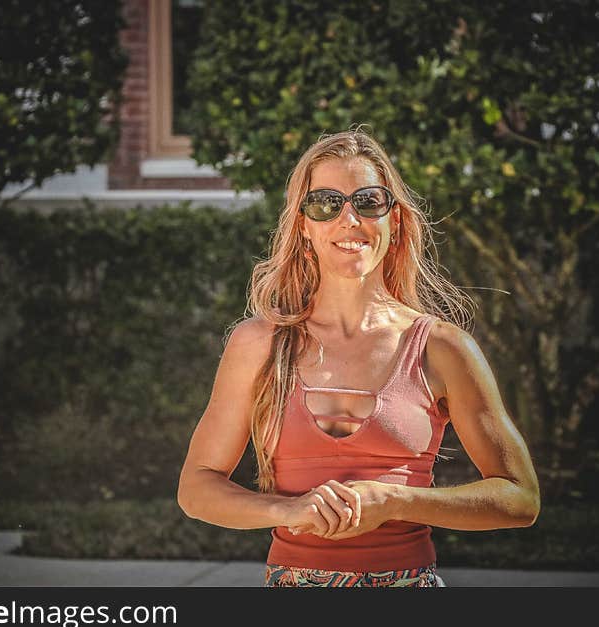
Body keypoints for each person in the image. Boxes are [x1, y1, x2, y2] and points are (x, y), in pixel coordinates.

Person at [177, 128, 540, 587]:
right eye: (325, 203)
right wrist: (288, 509)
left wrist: (396, 501)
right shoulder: (259, 344)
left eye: (367, 201)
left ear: (395, 220)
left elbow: (520, 498)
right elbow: (196, 487)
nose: (349, 218)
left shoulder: (443, 348)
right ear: (303, 227)